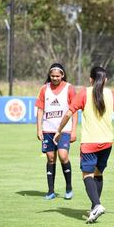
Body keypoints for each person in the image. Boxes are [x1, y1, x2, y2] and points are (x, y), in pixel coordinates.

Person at [53, 66, 114, 224]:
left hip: (90, 142)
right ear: (106, 80)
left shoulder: (84, 93)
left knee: (87, 175)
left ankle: (96, 205)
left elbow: (69, 113)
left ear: (90, 79)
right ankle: (94, 207)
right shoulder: (112, 95)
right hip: (107, 142)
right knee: (98, 173)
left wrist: (59, 130)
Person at [35, 63, 77, 200]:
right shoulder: (44, 89)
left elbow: (74, 111)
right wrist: (39, 128)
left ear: (62, 75)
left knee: (63, 156)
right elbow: (40, 109)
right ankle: (51, 191)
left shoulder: (69, 88)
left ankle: (69, 187)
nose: (54, 78)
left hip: (64, 129)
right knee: (50, 158)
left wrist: (74, 130)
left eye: (57, 76)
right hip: (48, 129)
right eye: (52, 76)